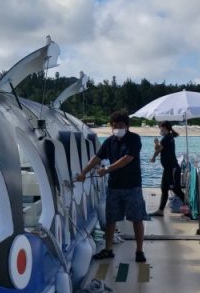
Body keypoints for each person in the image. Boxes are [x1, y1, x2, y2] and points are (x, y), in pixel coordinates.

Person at [75, 111, 147, 263]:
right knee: (111, 219)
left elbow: (127, 159)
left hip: (132, 186)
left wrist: (107, 169)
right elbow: (96, 158)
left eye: (120, 125)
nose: (117, 128)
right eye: (114, 126)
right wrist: (83, 173)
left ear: (127, 126)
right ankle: (108, 249)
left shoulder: (134, 139)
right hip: (114, 186)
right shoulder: (109, 142)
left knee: (137, 218)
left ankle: (139, 250)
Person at [151, 121, 186, 214]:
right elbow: (159, 148)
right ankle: (160, 210)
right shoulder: (168, 137)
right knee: (164, 188)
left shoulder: (166, 138)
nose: (160, 130)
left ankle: (190, 206)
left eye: (161, 128)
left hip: (172, 168)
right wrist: (156, 144)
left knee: (176, 189)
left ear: (165, 128)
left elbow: (158, 150)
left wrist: (153, 156)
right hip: (168, 168)